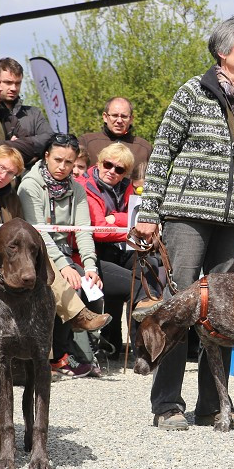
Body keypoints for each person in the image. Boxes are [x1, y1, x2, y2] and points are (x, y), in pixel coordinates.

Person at [135, 15, 234, 431]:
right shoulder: (191, 94)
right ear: (222, 51)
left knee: (225, 317)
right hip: (186, 218)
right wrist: (148, 213)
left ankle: (213, 404)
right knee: (177, 309)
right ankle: (167, 405)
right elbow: (161, 153)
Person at [0, 145, 110, 364]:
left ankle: (52, 348)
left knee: (45, 266)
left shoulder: (10, 197)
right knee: (47, 267)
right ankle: (74, 321)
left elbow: (24, 232)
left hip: (11, 256)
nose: (3, 175)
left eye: (10, 173)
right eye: (0, 167)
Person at [18, 133, 103, 378]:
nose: (62, 167)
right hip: (35, 252)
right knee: (71, 287)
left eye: (69, 162)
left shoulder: (77, 189)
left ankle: (85, 351)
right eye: (57, 160)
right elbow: (40, 233)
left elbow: (84, 231)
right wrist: (64, 265)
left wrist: (90, 267)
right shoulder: (29, 186)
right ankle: (60, 357)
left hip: (65, 254)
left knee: (93, 287)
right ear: (46, 157)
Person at [78, 142, 154, 353]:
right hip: (90, 253)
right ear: (99, 162)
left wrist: (115, 218)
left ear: (125, 173)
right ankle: (135, 344)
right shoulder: (85, 186)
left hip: (118, 248)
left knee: (149, 267)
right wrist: (129, 229)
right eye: (108, 164)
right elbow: (100, 231)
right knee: (133, 284)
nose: (111, 171)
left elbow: (134, 216)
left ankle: (128, 341)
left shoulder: (127, 187)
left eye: (119, 169)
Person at [0, 57, 53, 167]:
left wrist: (18, 144)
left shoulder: (33, 113)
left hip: (26, 177)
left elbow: (49, 139)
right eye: (8, 82)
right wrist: (25, 146)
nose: (13, 88)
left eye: (18, 83)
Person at [79, 96, 154, 170]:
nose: (119, 121)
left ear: (131, 119)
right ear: (105, 117)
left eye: (124, 116)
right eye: (114, 115)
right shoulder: (87, 142)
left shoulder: (144, 149)